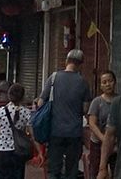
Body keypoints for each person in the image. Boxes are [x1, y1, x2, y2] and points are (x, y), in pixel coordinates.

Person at [38, 50, 89, 179]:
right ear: (80, 64)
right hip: (74, 132)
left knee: (54, 169)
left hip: (55, 131)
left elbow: (40, 103)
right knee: (72, 170)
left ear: (66, 61)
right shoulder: (83, 82)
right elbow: (85, 108)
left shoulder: (53, 78)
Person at [0, 84, 34, 179]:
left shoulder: (0, 111)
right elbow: (32, 134)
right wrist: (39, 151)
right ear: (22, 97)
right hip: (19, 152)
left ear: (9, 95)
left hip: (2, 152)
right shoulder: (27, 112)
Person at [84, 72, 116, 179]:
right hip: (97, 143)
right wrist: (104, 139)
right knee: (97, 172)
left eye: (110, 81)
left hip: (116, 145)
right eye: (104, 82)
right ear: (101, 86)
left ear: (115, 82)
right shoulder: (97, 102)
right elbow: (92, 124)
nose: (108, 84)